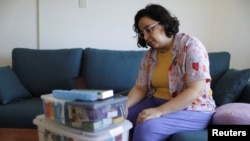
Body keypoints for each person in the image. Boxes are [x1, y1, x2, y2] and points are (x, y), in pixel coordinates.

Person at [125, 3, 216, 141]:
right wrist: (124, 107)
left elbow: (195, 90)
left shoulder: (191, 47)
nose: (145, 37)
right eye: (142, 33)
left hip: (193, 108)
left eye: (149, 29)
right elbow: (140, 87)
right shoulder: (149, 56)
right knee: (118, 119)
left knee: (147, 127)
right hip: (155, 101)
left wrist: (159, 111)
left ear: (165, 23)